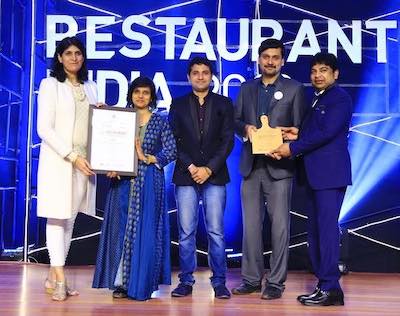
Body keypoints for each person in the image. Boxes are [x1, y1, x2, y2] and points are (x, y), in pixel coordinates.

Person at [272, 52, 352, 306]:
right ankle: (324, 286)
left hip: (329, 176)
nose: (317, 75)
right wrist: (297, 133)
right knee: (316, 233)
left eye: (324, 70)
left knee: (326, 233)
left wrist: (292, 148)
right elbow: (316, 130)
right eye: (314, 71)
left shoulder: (339, 98)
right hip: (315, 176)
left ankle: (331, 288)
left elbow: (327, 133)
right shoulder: (319, 99)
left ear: (335, 74)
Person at [232, 38, 307, 300]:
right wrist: (245, 129)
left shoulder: (295, 89)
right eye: (266, 57)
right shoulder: (246, 88)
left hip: (279, 166)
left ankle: (275, 282)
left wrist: (286, 139)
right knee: (250, 227)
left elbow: (300, 129)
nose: (270, 61)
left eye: (275, 57)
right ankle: (251, 279)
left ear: (282, 61)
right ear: (259, 59)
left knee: (279, 228)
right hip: (251, 167)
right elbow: (236, 119)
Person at [92, 76, 177, 301]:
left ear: (151, 96)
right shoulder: (119, 118)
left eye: (146, 92)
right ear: (131, 94)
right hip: (121, 181)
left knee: (145, 231)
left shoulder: (159, 121)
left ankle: (142, 283)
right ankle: (120, 283)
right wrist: (102, 116)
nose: (141, 96)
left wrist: (147, 157)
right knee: (121, 229)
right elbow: (107, 143)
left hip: (149, 181)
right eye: (137, 91)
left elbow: (171, 151)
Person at [36, 36, 98, 301]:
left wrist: (105, 117)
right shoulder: (50, 85)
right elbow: (44, 129)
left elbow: (98, 123)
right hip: (60, 161)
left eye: (78, 53)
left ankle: (52, 275)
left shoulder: (92, 87)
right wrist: (72, 156)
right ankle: (60, 277)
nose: (74, 57)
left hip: (85, 162)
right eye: (69, 53)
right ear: (60, 58)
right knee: (56, 217)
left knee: (71, 218)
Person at [168, 57, 234, 299]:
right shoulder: (178, 104)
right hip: (186, 174)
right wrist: (193, 166)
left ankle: (219, 282)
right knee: (186, 232)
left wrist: (209, 168)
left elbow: (227, 141)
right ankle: (185, 281)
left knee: (216, 231)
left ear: (211, 76)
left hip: (215, 176)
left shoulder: (225, 104)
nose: (200, 76)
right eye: (195, 73)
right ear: (189, 77)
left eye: (205, 72)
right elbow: (173, 139)